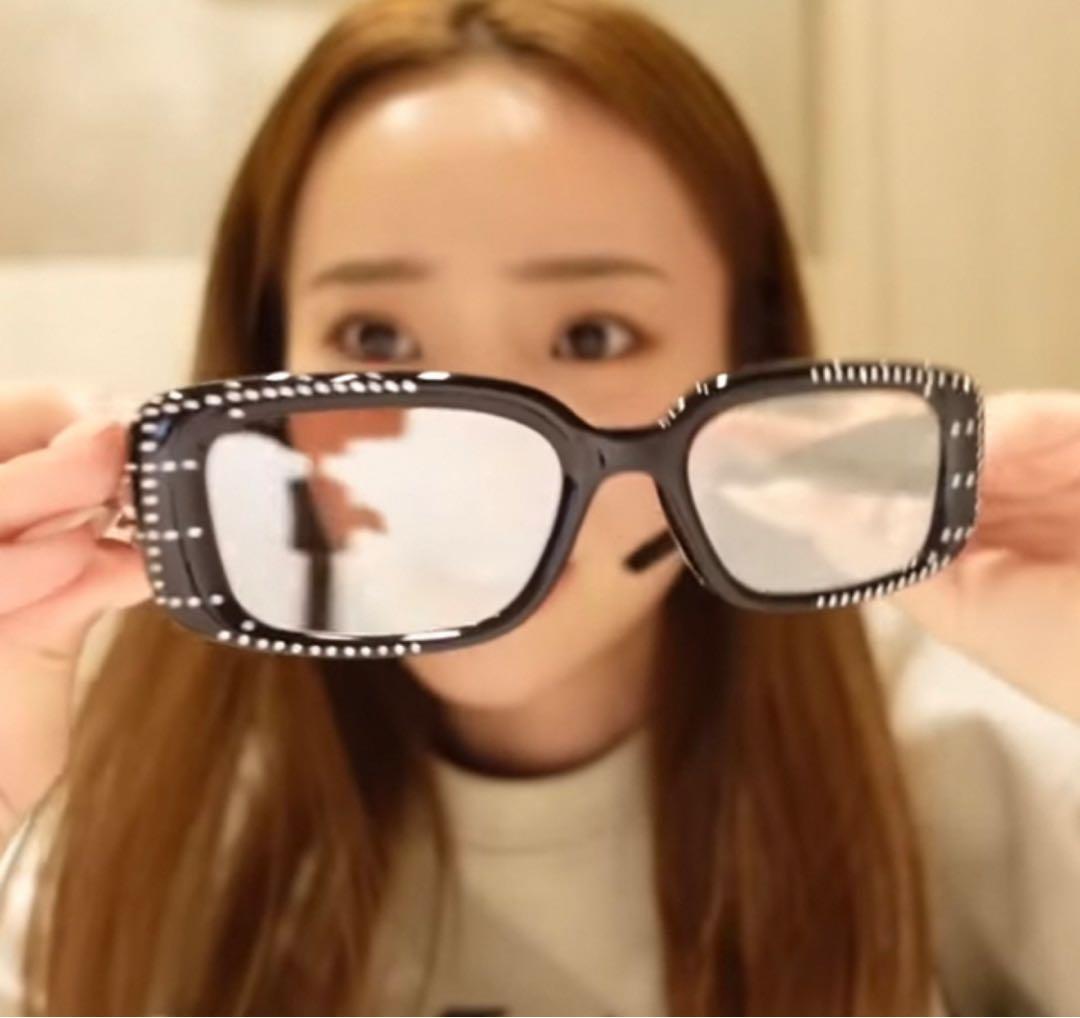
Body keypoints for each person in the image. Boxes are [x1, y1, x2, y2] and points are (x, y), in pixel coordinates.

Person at [2, 0, 1079, 1013]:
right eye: (377, 340)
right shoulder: (116, 772)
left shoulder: (954, 751)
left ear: (746, 363)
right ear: (266, 364)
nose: (478, 474)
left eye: (591, 337)